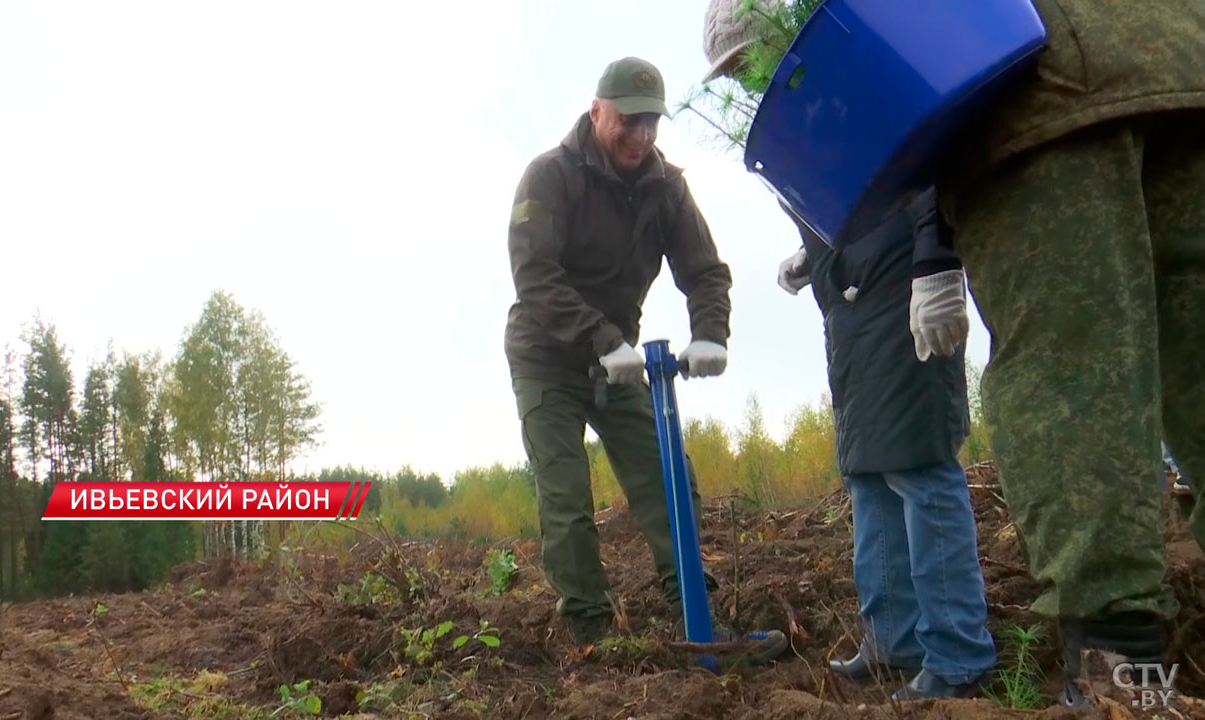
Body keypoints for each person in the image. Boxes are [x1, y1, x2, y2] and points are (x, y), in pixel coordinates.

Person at [702, 1, 997, 699]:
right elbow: (838, 184)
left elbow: (925, 153)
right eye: (732, 70)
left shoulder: (857, 62)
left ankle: (956, 652)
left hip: (900, 277)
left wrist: (936, 260)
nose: (744, 78)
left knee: (919, 465)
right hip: (851, 292)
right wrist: (815, 254)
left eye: (748, 59)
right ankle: (893, 640)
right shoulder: (793, 100)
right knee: (868, 471)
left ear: (784, 35)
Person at [925, 0, 1205, 704]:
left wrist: (927, 245)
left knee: (1072, 374)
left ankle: (1129, 687)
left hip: (1037, 84)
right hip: (1184, 60)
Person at [503, 56, 762, 650]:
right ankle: (593, 633)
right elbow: (535, 277)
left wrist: (710, 333)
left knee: (669, 478)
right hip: (546, 358)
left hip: (618, 360)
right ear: (597, 111)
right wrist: (603, 340)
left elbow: (705, 271)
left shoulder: (664, 185)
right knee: (567, 502)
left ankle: (694, 611)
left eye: (652, 123)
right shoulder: (549, 177)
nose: (642, 136)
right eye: (629, 120)